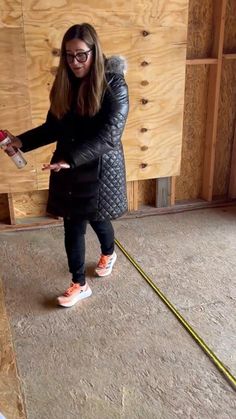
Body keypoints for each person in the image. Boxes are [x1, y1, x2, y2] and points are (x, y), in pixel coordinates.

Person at [3, 23, 129, 308]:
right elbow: (53, 128)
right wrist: (20, 141)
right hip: (67, 165)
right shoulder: (65, 84)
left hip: (98, 168)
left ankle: (109, 252)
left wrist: (70, 160)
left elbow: (109, 136)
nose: (75, 62)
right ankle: (79, 283)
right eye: (69, 56)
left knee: (98, 218)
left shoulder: (114, 85)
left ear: (95, 52)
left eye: (81, 55)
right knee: (73, 226)